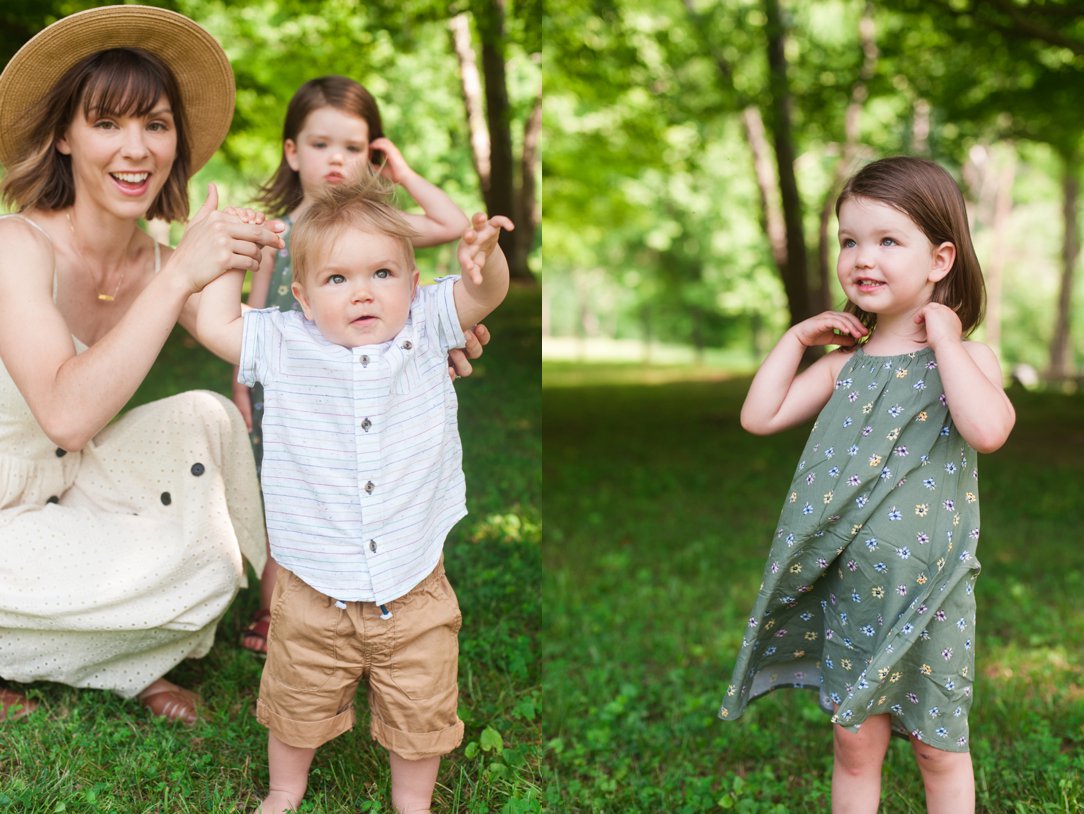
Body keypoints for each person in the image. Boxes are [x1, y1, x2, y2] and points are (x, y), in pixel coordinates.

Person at [0, 5, 285, 725]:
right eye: (108, 123)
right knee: (167, 577)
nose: (138, 149)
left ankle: (125, 646)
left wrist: (411, 343)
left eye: (155, 125)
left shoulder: (161, 262)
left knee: (208, 424)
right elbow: (65, 415)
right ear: (64, 136)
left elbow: (255, 340)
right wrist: (178, 274)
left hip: (67, 497)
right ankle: (124, 657)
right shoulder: (15, 246)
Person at [197, 173, 512, 814]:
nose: (363, 292)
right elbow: (213, 322)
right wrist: (232, 255)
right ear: (304, 298)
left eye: (382, 274)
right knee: (296, 696)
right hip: (314, 584)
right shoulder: (284, 342)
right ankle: (284, 789)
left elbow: (484, 293)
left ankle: (412, 804)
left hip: (414, 579)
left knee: (421, 703)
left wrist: (486, 261)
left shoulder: (425, 326)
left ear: (413, 282)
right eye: (337, 279)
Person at [719, 157, 1015, 813]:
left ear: (940, 260)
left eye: (887, 240)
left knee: (939, 746)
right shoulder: (843, 365)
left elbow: (989, 430)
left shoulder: (968, 361)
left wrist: (946, 340)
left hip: (933, 591)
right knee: (855, 743)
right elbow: (759, 416)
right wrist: (797, 339)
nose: (861, 257)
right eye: (849, 240)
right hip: (853, 588)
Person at [234, 75, 482, 655]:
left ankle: (381, 592)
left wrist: (401, 172)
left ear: (371, 153)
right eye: (321, 145)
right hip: (291, 386)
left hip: (374, 393)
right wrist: (241, 381)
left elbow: (451, 224)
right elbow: (255, 304)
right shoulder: (279, 230)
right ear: (292, 152)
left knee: (362, 487)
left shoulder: (378, 225)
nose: (336, 160)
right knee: (295, 493)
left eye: (353, 147)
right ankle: (279, 609)